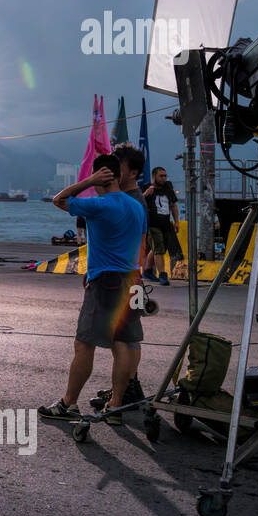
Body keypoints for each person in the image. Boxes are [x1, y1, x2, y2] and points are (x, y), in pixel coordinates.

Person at [39, 154, 146, 426]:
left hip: (106, 282)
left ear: (101, 176)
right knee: (124, 343)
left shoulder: (99, 206)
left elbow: (58, 200)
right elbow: (141, 243)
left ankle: (68, 403)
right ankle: (116, 406)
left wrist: (87, 181)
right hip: (133, 278)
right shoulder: (136, 207)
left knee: (84, 343)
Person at [107, 144, 148, 408]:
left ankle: (120, 394)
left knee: (120, 338)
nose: (111, 171)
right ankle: (130, 385)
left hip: (122, 276)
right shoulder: (135, 197)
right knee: (130, 337)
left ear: (132, 172)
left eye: (117, 166)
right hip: (134, 275)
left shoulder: (130, 200)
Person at [142, 166, 182, 286]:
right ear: (154, 176)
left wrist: (176, 222)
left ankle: (148, 271)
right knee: (158, 248)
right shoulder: (147, 188)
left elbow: (173, 206)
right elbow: (137, 203)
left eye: (165, 176)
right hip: (153, 224)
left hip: (165, 223)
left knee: (159, 248)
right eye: (161, 176)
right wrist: (145, 194)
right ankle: (163, 275)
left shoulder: (168, 188)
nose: (164, 178)